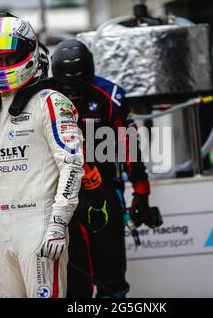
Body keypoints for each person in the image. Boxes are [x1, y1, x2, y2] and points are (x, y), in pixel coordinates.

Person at [0, 14, 84, 298]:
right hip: (0, 230)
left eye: (10, 57)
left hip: (39, 227)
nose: (3, 67)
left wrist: (58, 221)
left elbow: (72, 164)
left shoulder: (52, 103)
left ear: (29, 52)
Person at [51, 39, 153, 297]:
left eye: (79, 89)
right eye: (68, 90)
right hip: (59, 200)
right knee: (74, 279)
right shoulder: (43, 96)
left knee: (111, 277)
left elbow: (129, 146)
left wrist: (141, 192)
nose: (74, 96)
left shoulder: (112, 96)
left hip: (104, 193)